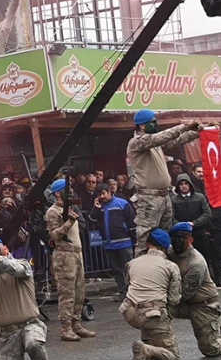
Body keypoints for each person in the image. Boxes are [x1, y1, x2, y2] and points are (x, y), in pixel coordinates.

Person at [126, 110, 202, 254]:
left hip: (163, 196)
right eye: (153, 122)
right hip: (149, 198)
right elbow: (162, 137)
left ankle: (162, 266)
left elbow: (176, 140)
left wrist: (199, 131)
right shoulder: (137, 142)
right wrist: (185, 126)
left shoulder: (154, 144)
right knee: (145, 237)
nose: (157, 124)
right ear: (142, 126)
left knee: (163, 236)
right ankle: (142, 269)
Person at [167, 222, 221, 357]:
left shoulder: (196, 262)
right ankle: (157, 348)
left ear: (190, 240)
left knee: (210, 349)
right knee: (153, 310)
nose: (177, 242)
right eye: (174, 238)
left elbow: (184, 294)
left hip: (203, 305)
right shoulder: (169, 252)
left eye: (181, 238)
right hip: (181, 301)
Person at [122, 229, 182, 360]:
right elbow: (174, 299)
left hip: (129, 312)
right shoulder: (170, 266)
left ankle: (148, 354)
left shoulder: (131, 263)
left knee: (148, 319)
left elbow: (127, 285)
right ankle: (147, 349)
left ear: (148, 244)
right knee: (173, 359)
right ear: (167, 247)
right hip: (152, 315)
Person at [44, 180, 93, 341]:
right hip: (64, 255)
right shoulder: (53, 212)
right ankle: (66, 328)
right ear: (58, 193)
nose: (70, 191)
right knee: (67, 292)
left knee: (79, 291)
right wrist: (68, 223)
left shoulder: (70, 208)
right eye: (67, 189)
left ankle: (76, 324)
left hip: (76, 253)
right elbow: (54, 235)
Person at [90, 186, 137, 301]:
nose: (102, 197)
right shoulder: (99, 206)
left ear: (109, 192)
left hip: (124, 242)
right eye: (99, 195)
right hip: (108, 243)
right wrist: (96, 208)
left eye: (103, 193)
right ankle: (122, 292)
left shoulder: (122, 203)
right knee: (116, 269)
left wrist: (134, 239)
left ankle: (134, 292)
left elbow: (132, 222)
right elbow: (91, 220)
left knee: (129, 269)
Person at [171, 174, 214, 284]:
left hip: (199, 233)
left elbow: (207, 213)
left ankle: (206, 280)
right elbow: (171, 216)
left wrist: (194, 223)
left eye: (186, 184)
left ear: (190, 184)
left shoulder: (200, 197)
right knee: (184, 258)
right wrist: (183, 225)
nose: (184, 186)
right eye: (181, 184)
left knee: (204, 257)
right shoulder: (174, 200)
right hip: (182, 235)